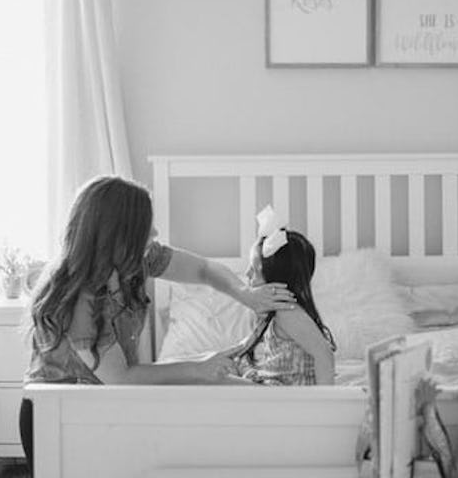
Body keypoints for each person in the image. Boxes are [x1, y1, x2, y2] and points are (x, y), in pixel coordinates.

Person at [19, 176, 295, 472]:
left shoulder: (137, 261)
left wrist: (245, 294)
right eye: (145, 227)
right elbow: (120, 379)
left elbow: (203, 269)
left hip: (100, 405)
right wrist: (198, 368)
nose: (155, 232)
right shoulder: (79, 298)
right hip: (57, 416)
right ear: (117, 235)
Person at [233, 205, 336, 386]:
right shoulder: (268, 314)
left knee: (215, 382)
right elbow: (246, 346)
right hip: (272, 388)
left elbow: (324, 355)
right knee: (225, 371)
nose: (247, 274)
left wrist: (323, 403)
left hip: (289, 397)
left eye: (255, 270)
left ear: (276, 280)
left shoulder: (287, 313)